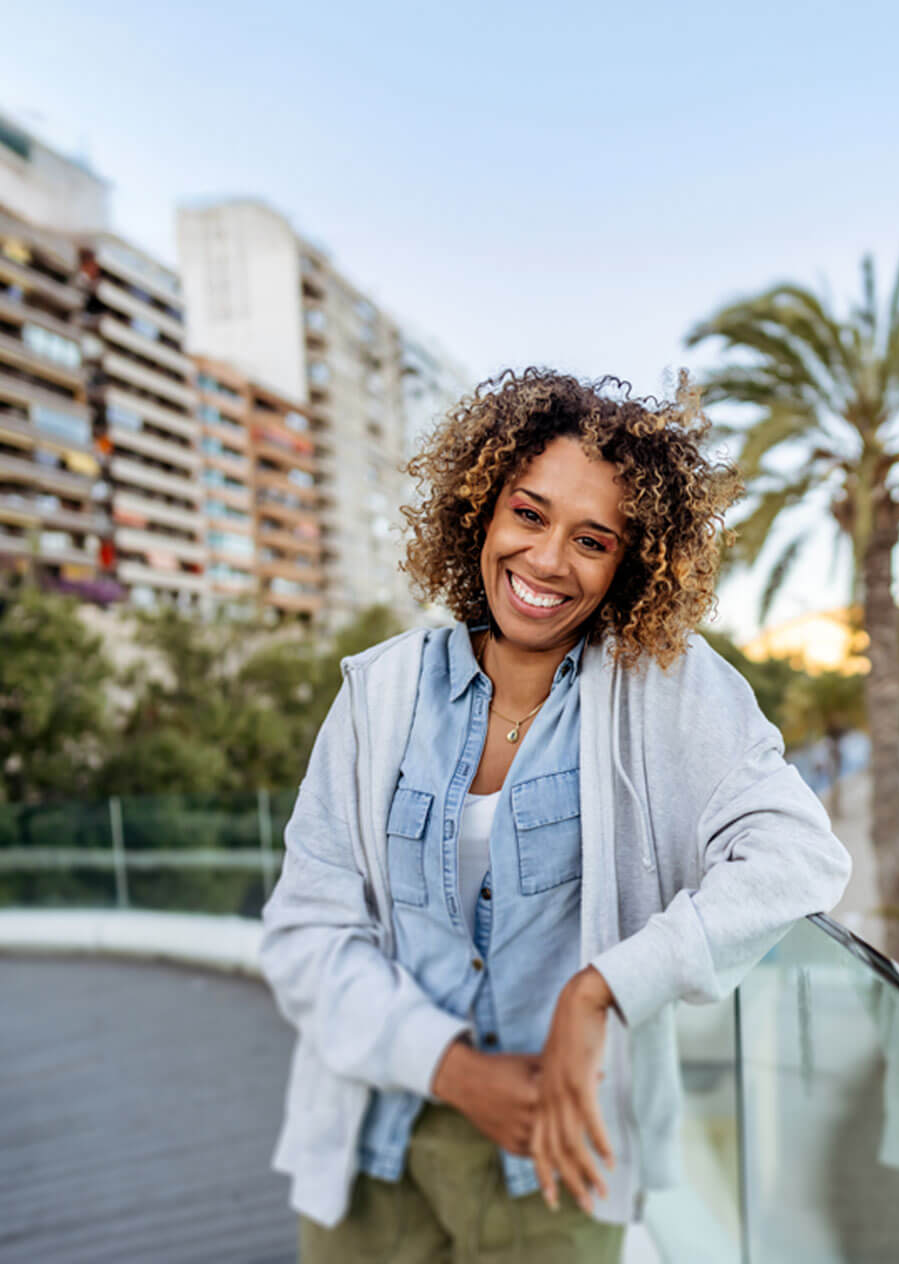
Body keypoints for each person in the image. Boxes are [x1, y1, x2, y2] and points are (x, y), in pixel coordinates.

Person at [259, 368, 853, 1262]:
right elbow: (306, 933)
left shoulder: (665, 690)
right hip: (368, 1149)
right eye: (529, 515)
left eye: (592, 539)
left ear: (631, 563)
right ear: (481, 514)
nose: (546, 562)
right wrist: (455, 1071)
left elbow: (799, 858)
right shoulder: (377, 694)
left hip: (556, 1160)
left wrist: (602, 990)